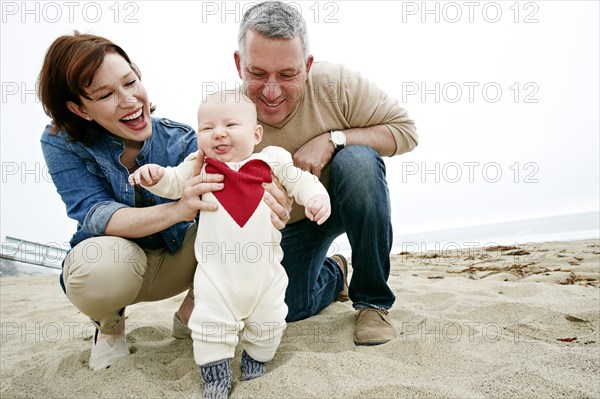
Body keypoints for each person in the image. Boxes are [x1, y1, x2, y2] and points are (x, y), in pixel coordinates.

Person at [38, 33, 292, 371]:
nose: (129, 100)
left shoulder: (186, 139)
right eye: (106, 95)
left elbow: (240, 183)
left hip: (181, 258)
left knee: (244, 242)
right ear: (80, 108)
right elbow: (97, 214)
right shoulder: (62, 143)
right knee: (94, 267)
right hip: (120, 266)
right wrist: (178, 208)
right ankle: (110, 329)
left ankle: (194, 308)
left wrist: (275, 198)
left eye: (130, 82)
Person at [233, 1, 419, 345]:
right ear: (238, 64)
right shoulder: (226, 114)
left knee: (359, 160)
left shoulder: (337, 84)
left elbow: (405, 133)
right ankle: (336, 273)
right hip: (291, 223)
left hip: (345, 192)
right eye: (258, 74)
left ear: (307, 66)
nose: (271, 92)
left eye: (287, 75)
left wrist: (335, 139)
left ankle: (372, 303)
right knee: (289, 308)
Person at [129, 91, 330, 398]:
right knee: (210, 327)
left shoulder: (272, 160)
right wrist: (154, 176)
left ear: (256, 133)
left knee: (270, 324)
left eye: (231, 125)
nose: (218, 133)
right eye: (207, 128)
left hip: (265, 274)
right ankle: (216, 379)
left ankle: (254, 363)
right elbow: (173, 183)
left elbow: (301, 181)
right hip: (215, 276)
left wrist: (316, 197)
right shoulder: (200, 165)